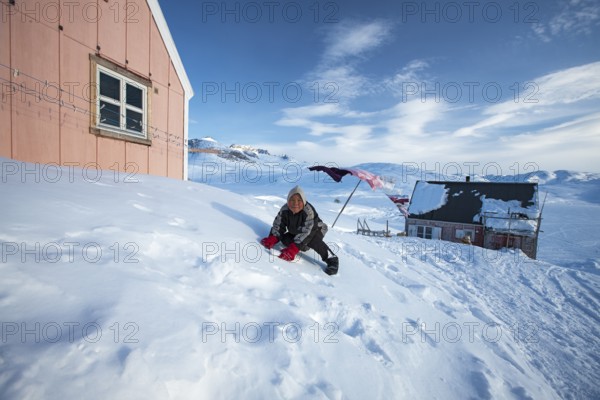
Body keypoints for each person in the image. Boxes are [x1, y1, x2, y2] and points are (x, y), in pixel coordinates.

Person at [260, 185, 339, 275]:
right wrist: (273, 238)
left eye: (299, 200)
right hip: (298, 231)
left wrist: (294, 249)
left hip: (316, 229)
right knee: (285, 239)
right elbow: (279, 224)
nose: (295, 203)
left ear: (304, 201)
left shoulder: (308, 211)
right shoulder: (285, 210)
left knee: (312, 241)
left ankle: (332, 259)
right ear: (288, 201)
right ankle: (302, 245)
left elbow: (307, 232)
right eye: (292, 200)